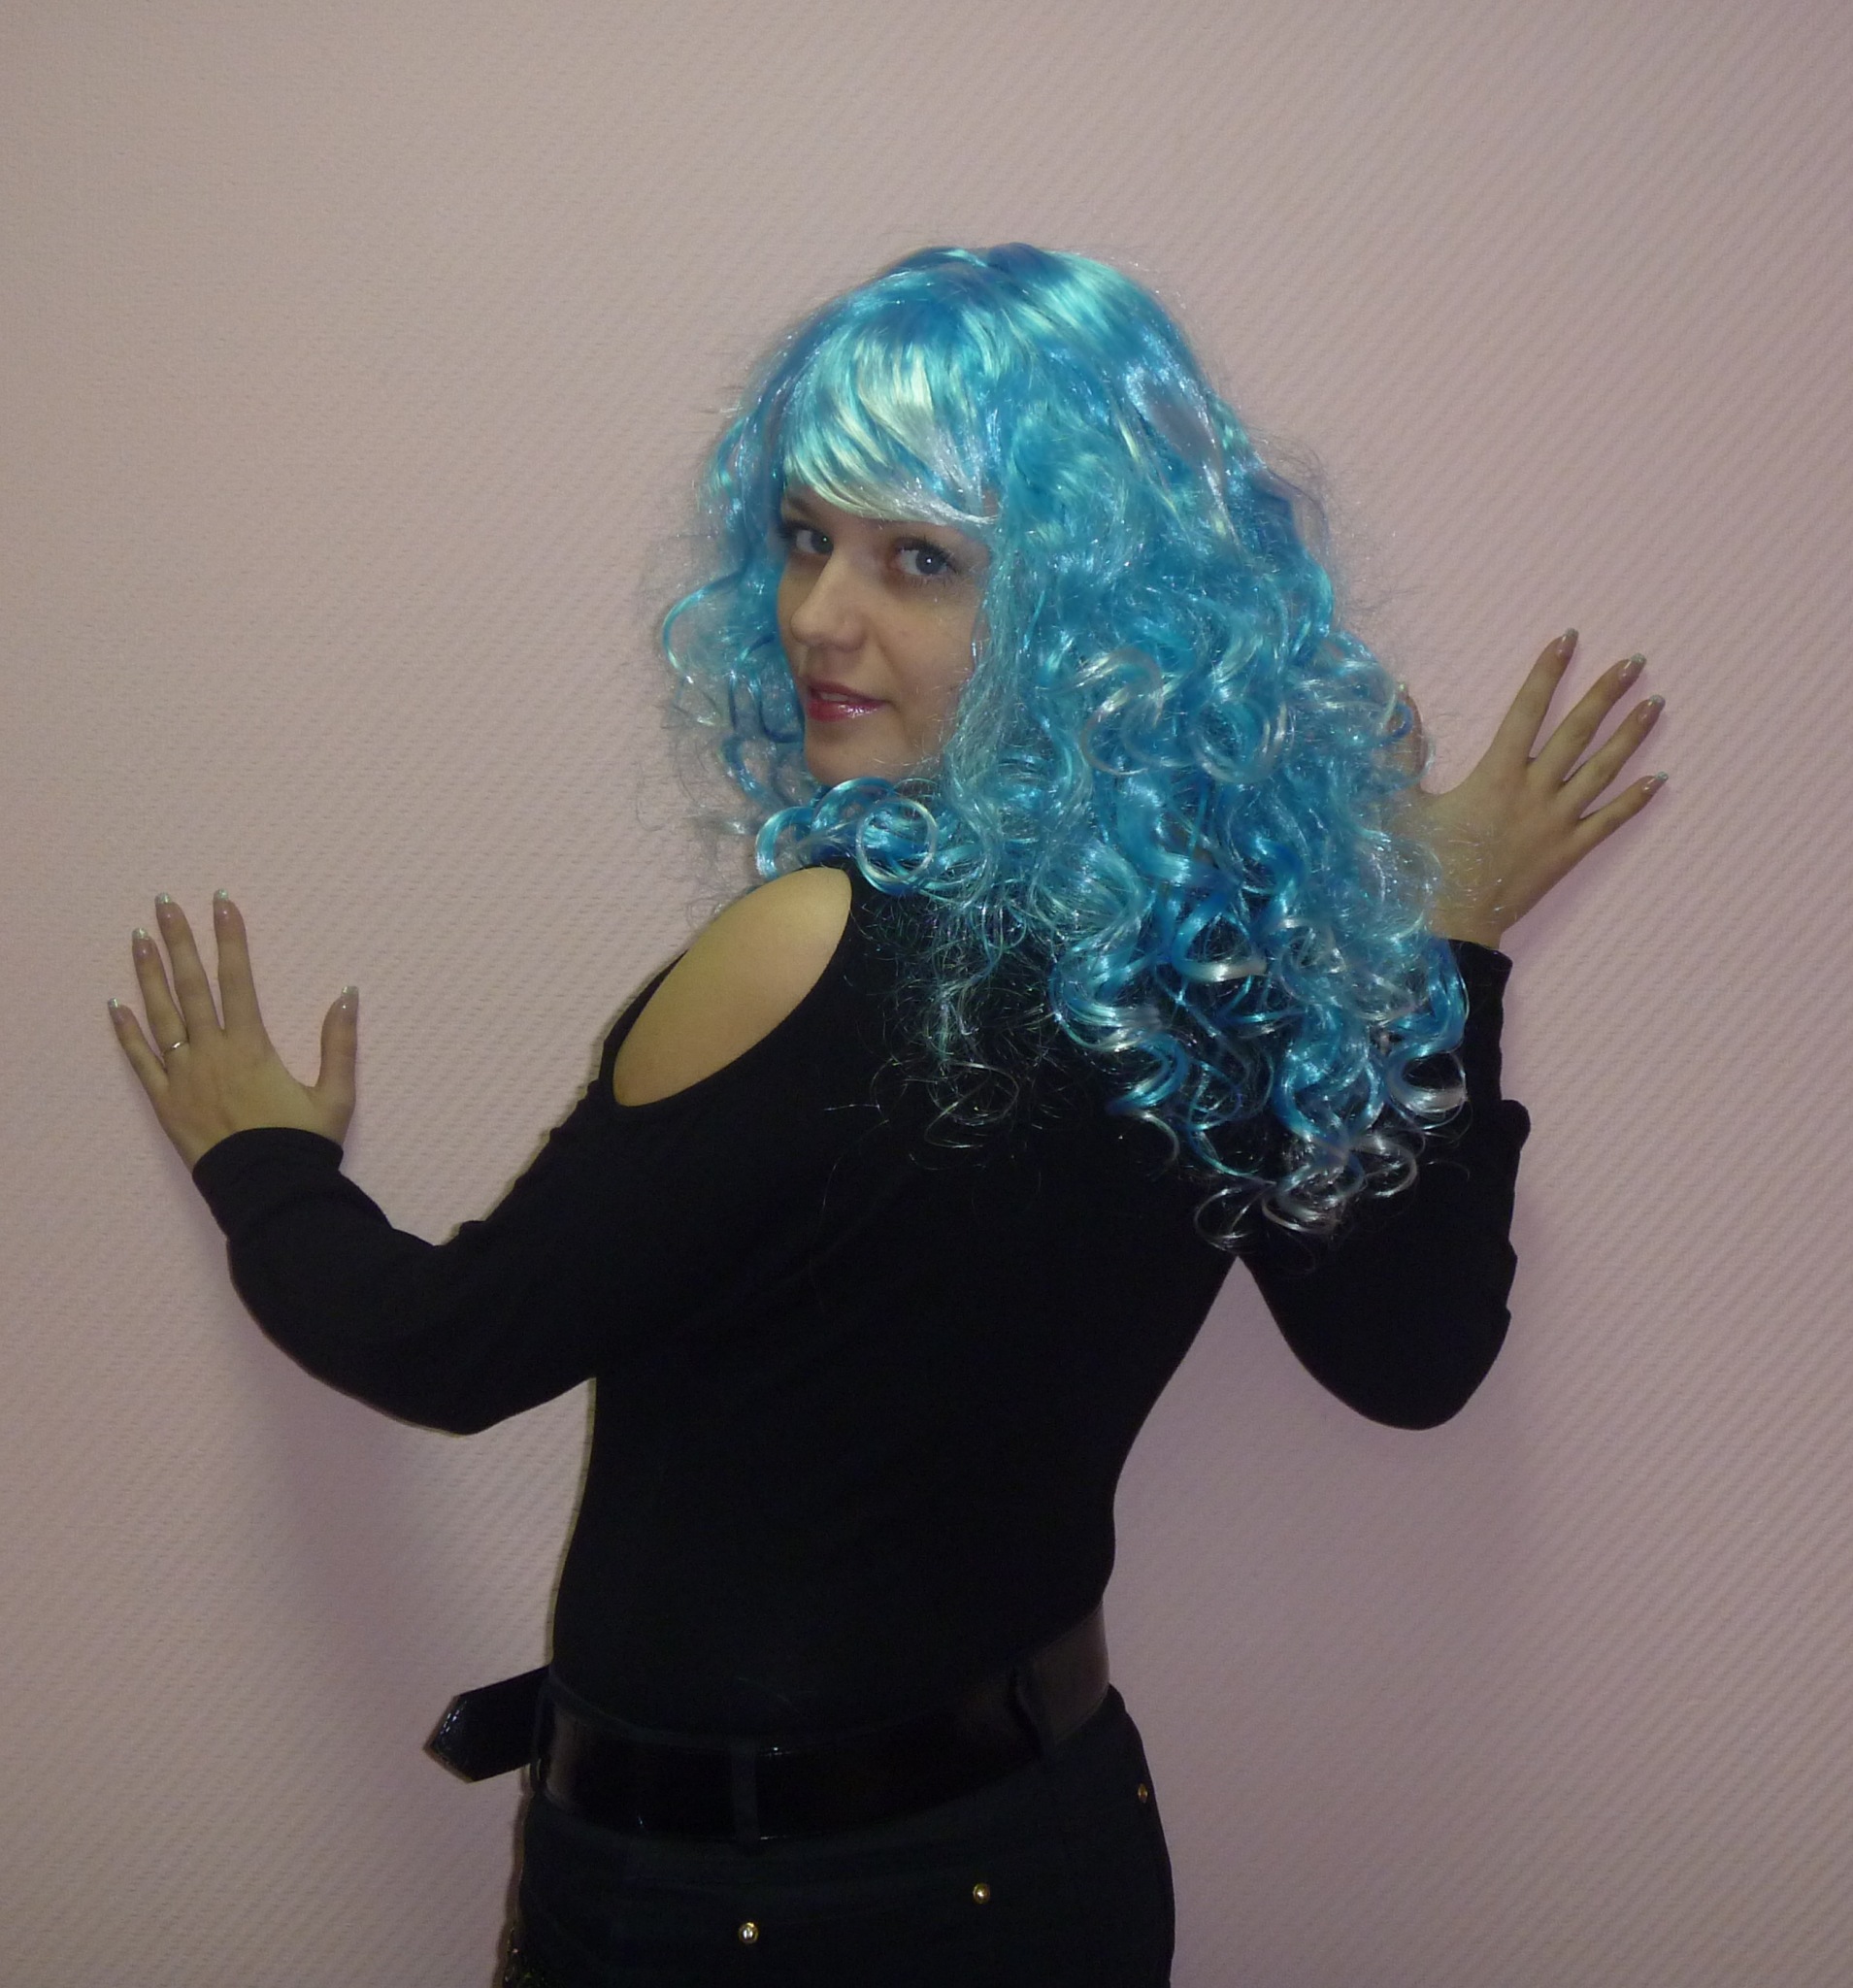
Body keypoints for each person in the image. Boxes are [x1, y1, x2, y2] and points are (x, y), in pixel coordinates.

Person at [110, 245, 1667, 1987]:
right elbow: (1415, 1359)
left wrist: (259, 1159)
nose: (816, 619)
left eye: (918, 559)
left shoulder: (806, 947)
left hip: (737, 1913)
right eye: (802, 537)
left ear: (1089, 598)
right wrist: (1443, 948)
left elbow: (450, 1350)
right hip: (1054, 1851)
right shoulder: (1218, 963)